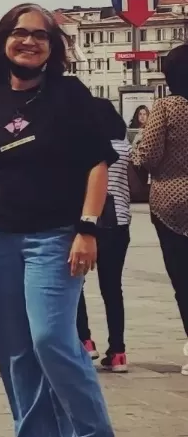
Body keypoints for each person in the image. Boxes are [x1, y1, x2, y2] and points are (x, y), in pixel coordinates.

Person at [0, 3, 118, 437]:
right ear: (4, 41)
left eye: (41, 36)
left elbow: (98, 164)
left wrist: (87, 228)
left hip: (55, 235)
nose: (29, 42)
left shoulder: (69, 96)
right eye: (20, 33)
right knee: (14, 348)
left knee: (53, 339)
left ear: (53, 48)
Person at [133, 43, 188, 375]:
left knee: (183, 276)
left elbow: (148, 155)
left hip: (172, 201)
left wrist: (138, 150)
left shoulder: (167, 107)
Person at [75, 98, 132, 372]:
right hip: (119, 224)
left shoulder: (83, 149)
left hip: (88, 223)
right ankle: (119, 351)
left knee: (77, 286)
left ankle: (85, 341)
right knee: (113, 288)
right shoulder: (125, 149)